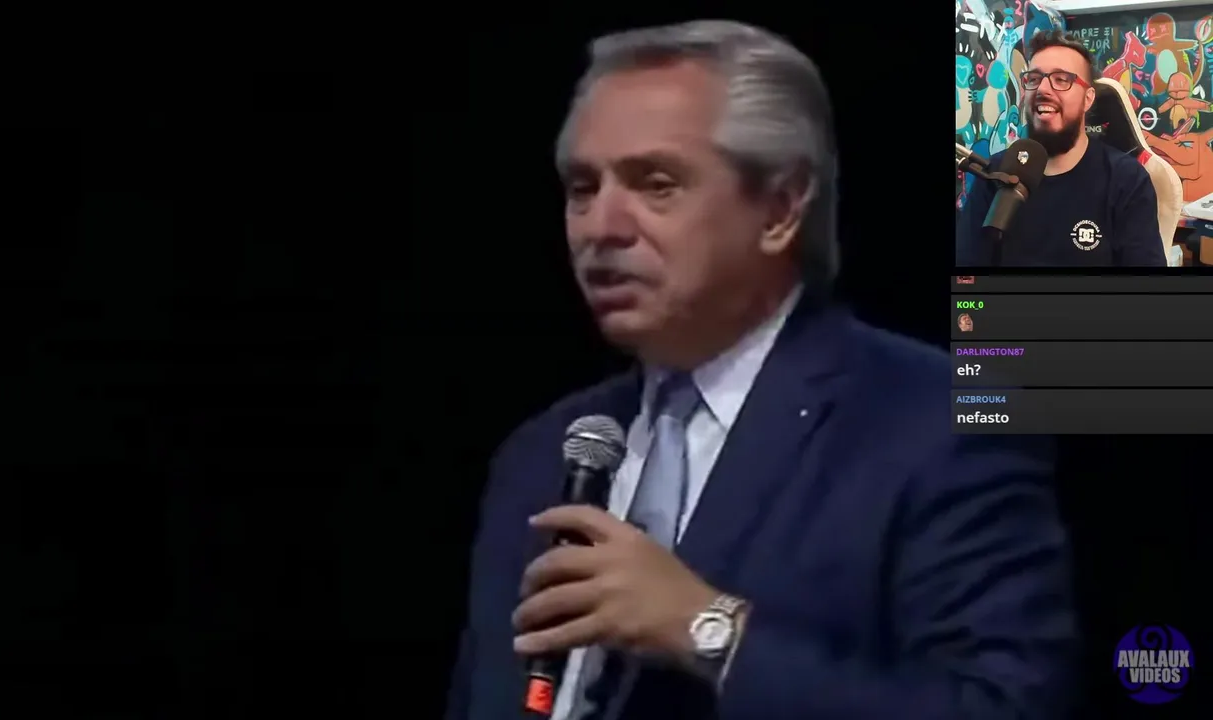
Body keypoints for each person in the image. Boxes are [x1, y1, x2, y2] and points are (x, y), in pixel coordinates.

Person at [447, 20, 1077, 720]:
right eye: (582, 188)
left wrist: (707, 630)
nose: (601, 226)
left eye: (656, 184)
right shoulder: (541, 455)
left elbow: (1003, 707)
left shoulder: (936, 424)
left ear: (779, 209)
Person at [956, 30, 1165, 267]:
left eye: (1062, 79)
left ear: (1088, 99)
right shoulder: (995, 173)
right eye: (1034, 79)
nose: (1043, 89)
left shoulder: (1126, 180)